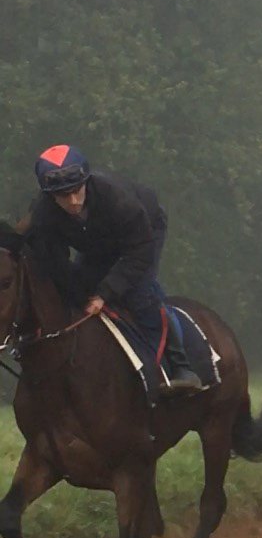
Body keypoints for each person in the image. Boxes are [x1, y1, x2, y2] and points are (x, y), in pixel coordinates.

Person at [29, 144, 202, 396]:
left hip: (143, 234)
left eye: (77, 190)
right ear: (49, 196)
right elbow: (55, 264)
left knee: (140, 294)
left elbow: (139, 250)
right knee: (78, 294)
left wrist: (104, 293)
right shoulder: (43, 215)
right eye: (63, 196)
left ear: (85, 182)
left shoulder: (116, 198)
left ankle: (181, 367)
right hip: (98, 243)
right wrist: (80, 295)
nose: (74, 201)